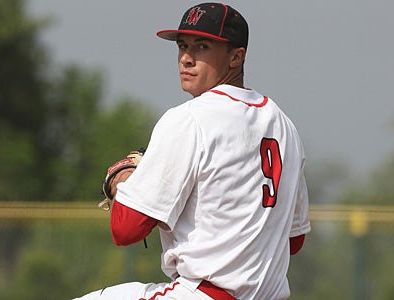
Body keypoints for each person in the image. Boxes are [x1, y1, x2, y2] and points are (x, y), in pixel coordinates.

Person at [74, 2, 310, 300]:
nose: (186, 58)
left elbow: (125, 230)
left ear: (237, 57)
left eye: (202, 47)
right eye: (182, 46)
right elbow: (293, 240)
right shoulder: (284, 126)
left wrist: (122, 180)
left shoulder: (189, 118)